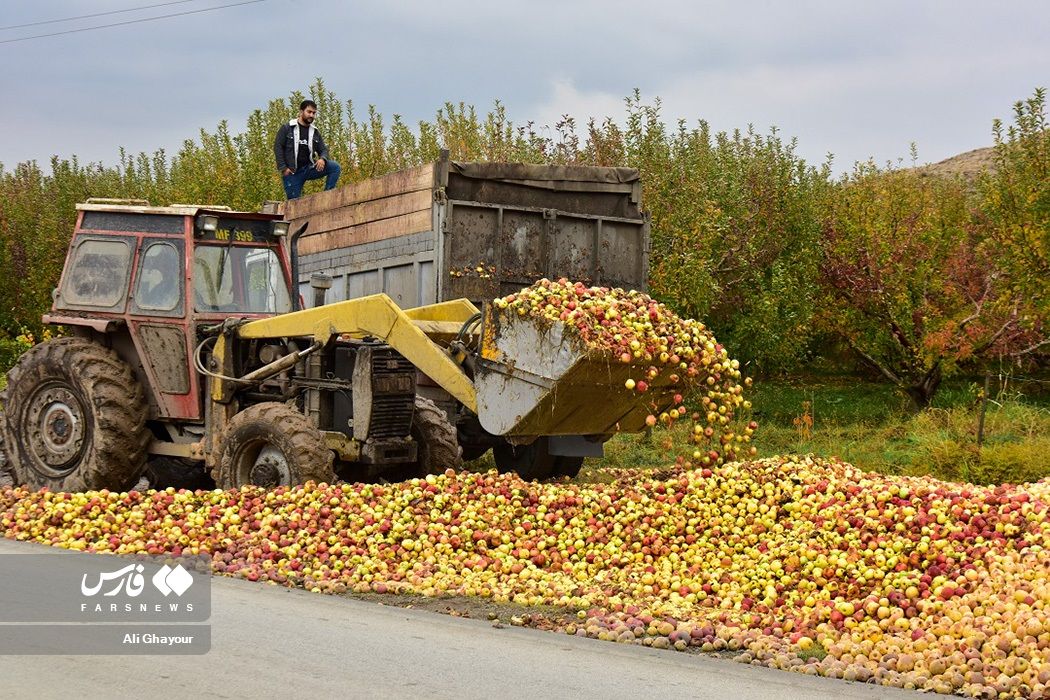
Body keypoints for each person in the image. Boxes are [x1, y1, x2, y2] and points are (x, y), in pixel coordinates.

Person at [274, 99, 341, 199]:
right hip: (292, 172)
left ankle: (327, 197)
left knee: (335, 167)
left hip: (309, 168)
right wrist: (284, 168)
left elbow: (323, 149)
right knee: (294, 204)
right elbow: (278, 147)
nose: (311, 115)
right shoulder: (287, 128)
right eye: (309, 112)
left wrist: (322, 159)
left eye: (314, 113)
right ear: (301, 112)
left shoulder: (314, 132)